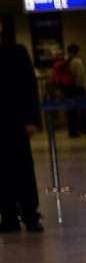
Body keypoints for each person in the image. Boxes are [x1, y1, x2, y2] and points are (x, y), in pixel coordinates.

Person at [0, 22, 44, 233]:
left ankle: (30, 214)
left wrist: (32, 119)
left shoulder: (17, 52)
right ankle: (8, 215)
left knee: (22, 168)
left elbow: (29, 87)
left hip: (15, 121)